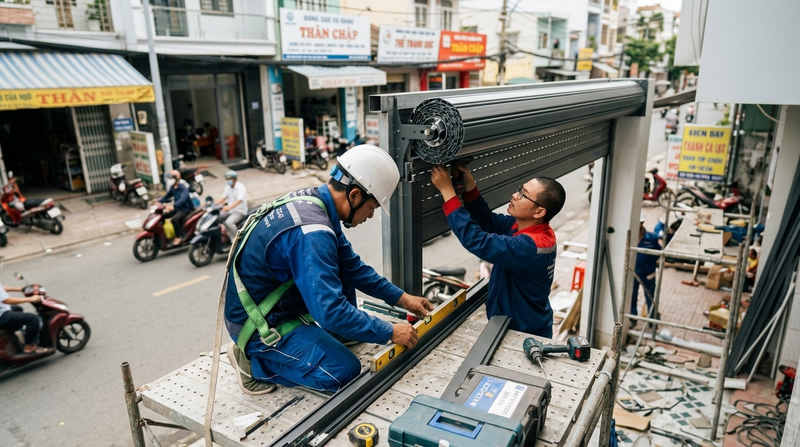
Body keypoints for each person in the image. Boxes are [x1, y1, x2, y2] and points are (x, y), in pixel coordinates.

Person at [224, 145, 433, 394]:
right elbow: (330, 311)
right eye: (372, 208)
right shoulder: (313, 233)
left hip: (273, 302)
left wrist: (402, 298)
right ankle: (252, 364)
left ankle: (338, 334)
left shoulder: (315, 203)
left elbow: (352, 268)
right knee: (343, 372)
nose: (368, 216)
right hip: (258, 325)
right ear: (355, 195)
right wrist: (389, 331)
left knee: (342, 272)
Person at [430, 165, 566, 337]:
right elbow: (488, 221)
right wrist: (470, 187)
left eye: (523, 195)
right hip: (521, 323)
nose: (515, 196)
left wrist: (447, 191)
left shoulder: (529, 247)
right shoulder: (528, 229)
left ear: (539, 211)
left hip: (523, 333)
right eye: (519, 190)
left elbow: (477, 240)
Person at [0, 282, 50, 355]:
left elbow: (1, 288)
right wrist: (30, 299)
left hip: (2, 311)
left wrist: (18, 289)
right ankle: (30, 346)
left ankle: (17, 338)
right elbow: (6, 300)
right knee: (33, 319)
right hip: (2, 315)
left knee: (18, 309)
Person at [631, 215, 661, 326]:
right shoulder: (630, 237)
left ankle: (652, 322)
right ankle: (632, 319)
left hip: (648, 274)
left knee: (650, 297)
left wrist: (649, 265)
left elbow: (658, 253)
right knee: (631, 297)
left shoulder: (651, 238)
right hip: (633, 273)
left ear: (642, 223)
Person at [158, 170, 193, 246]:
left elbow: (182, 199)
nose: (170, 180)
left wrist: (173, 206)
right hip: (177, 208)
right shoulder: (173, 188)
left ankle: (179, 236)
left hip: (185, 209)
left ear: (177, 178)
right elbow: (166, 197)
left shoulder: (183, 188)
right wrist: (158, 201)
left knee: (175, 219)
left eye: (172, 178)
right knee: (162, 216)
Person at [216, 170, 248, 245]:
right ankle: (229, 238)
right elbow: (223, 197)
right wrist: (213, 204)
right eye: (227, 179)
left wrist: (229, 207)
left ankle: (238, 239)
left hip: (240, 211)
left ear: (235, 179)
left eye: (230, 179)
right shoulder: (228, 187)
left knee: (229, 222)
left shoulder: (241, 187)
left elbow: (239, 200)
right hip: (231, 211)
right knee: (219, 218)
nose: (228, 181)